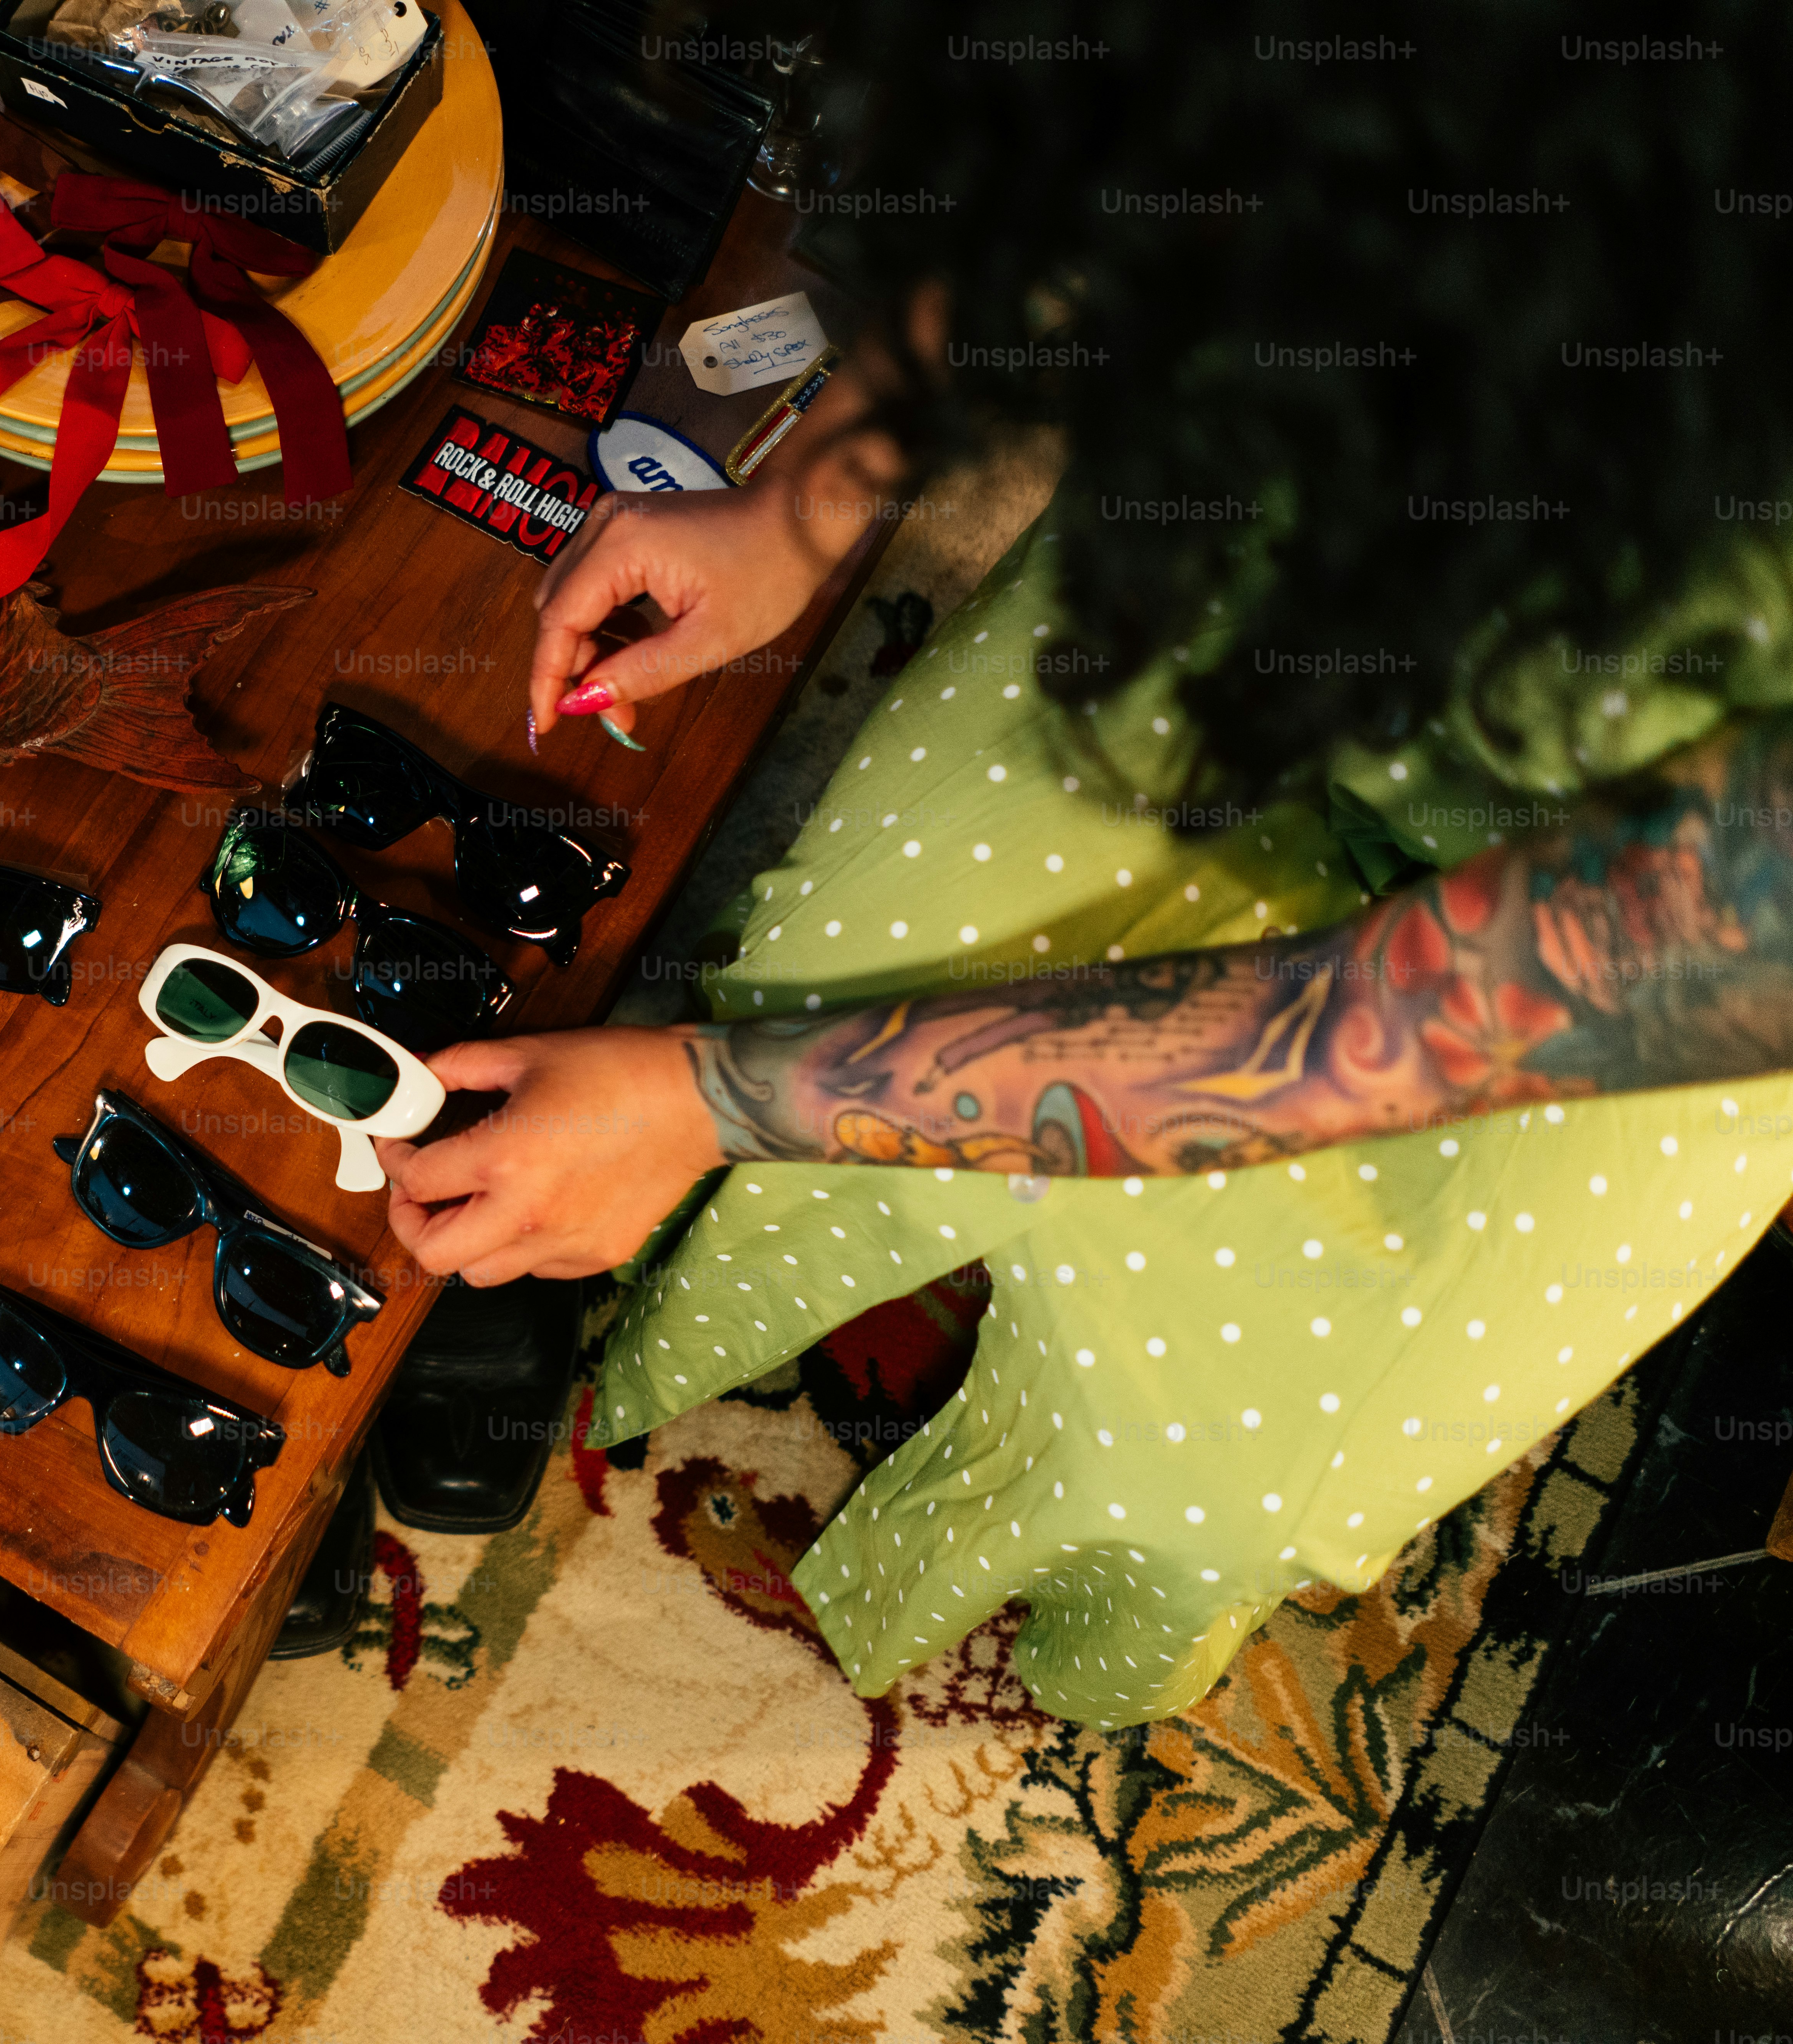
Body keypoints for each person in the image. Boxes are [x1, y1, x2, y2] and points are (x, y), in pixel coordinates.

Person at [376, 0, 1793, 1723]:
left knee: (1239, 1448)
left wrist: (710, 1100)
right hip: (1296, 546)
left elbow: (1345, 1036)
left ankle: (1093, 1580)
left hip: (1633, 997)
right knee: (850, 936)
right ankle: (680, 1255)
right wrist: (801, 504)